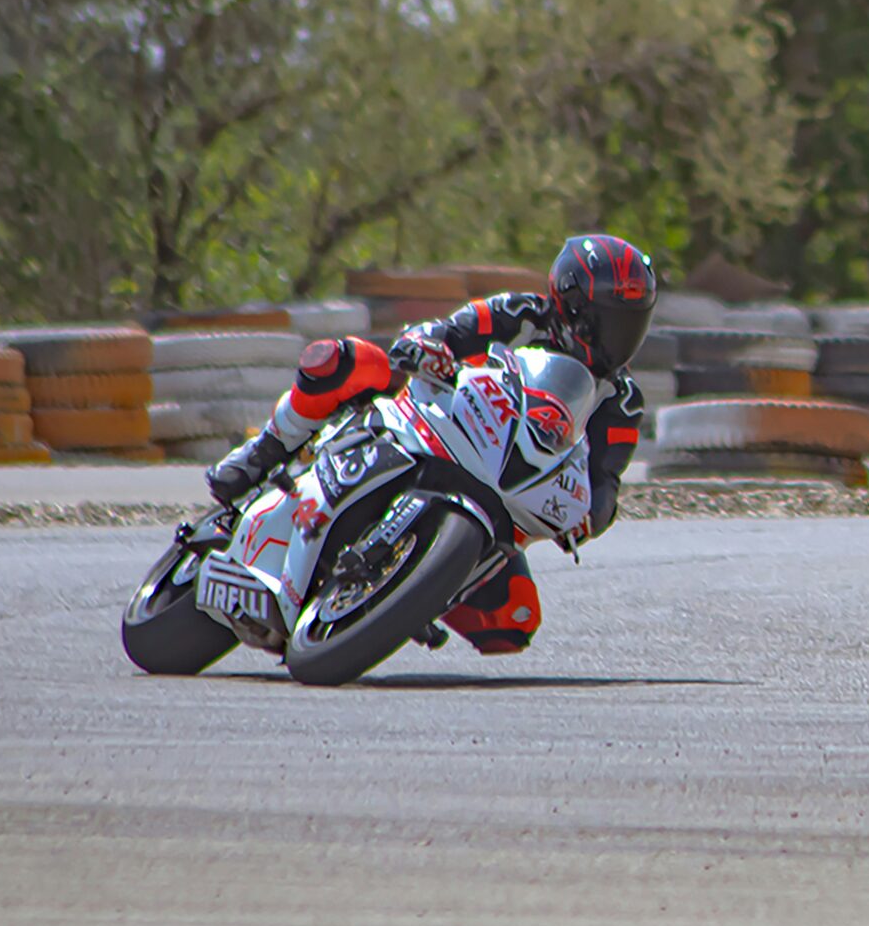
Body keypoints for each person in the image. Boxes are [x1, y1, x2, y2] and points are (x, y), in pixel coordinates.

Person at [204, 234, 660, 653]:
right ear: (572, 305)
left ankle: (404, 592)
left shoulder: (621, 399)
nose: (621, 338)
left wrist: (589, 518)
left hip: (504, 495)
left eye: (632, 323)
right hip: (437, 425)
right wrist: (425, 345)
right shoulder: (518, 314)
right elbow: (445, 331)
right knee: (351, 361)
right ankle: (263, 452)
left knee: (512, 622)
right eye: (610, 321)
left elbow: (605, 478)